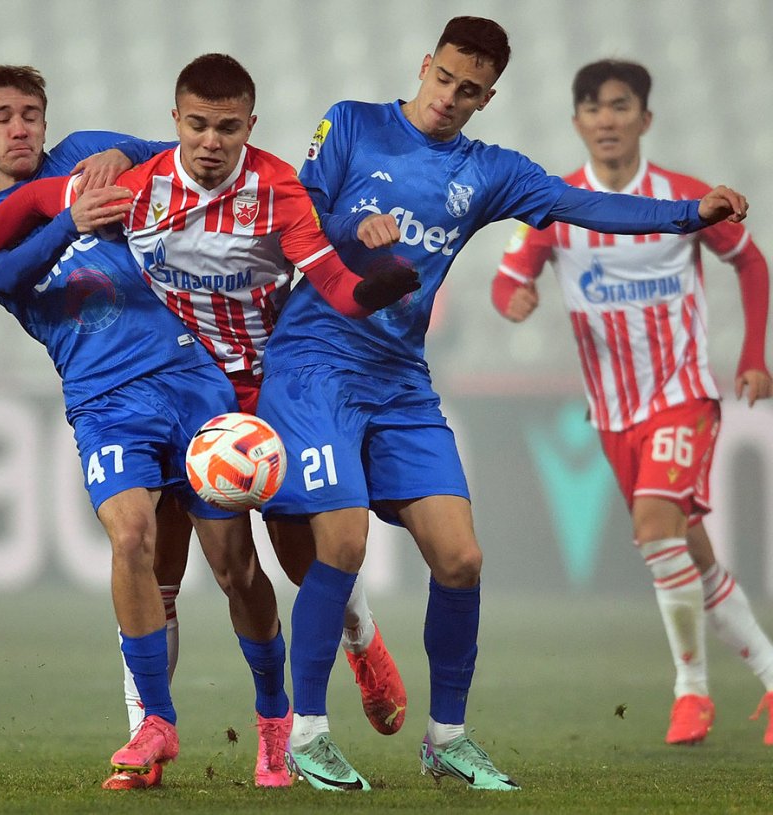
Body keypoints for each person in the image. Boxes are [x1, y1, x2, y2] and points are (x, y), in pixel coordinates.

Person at [253, 16, 750, 792]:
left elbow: (580, 204)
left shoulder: (488, 172)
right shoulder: (350, 123)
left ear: (488, 98)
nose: (449, 97)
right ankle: (308, 735)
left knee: (462, 557)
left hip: (398, 377)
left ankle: (446, 738)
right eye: (444, 78)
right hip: (313, 363)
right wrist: (353, 223)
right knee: (342, 543)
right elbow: (299, 212)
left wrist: (689, 215)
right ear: (425, 65)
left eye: (469, 89)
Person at [0, 53, 419, 777]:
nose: (19, 128)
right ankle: (151, 731)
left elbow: (182, 152)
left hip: (192, 375)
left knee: (241, 565)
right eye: (1, 118)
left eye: (30, 114)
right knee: (136, 546)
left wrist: (120, 156)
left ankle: (280, 717)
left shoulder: (86, 156)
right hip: (106, 403)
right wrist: (68, 223)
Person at [491, 58, 773, 746]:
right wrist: (514, 299)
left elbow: (750, 260)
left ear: (645, 118)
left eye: (620, 106)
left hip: (681, 394)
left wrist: (753, 355)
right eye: (593, 108)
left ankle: (691, 693)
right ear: (577, 122)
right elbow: (506, 279)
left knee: (654, 528)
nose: (607, 119)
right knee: (691, 555)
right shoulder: (555, 206)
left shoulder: (687, 197)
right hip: (613, 411)